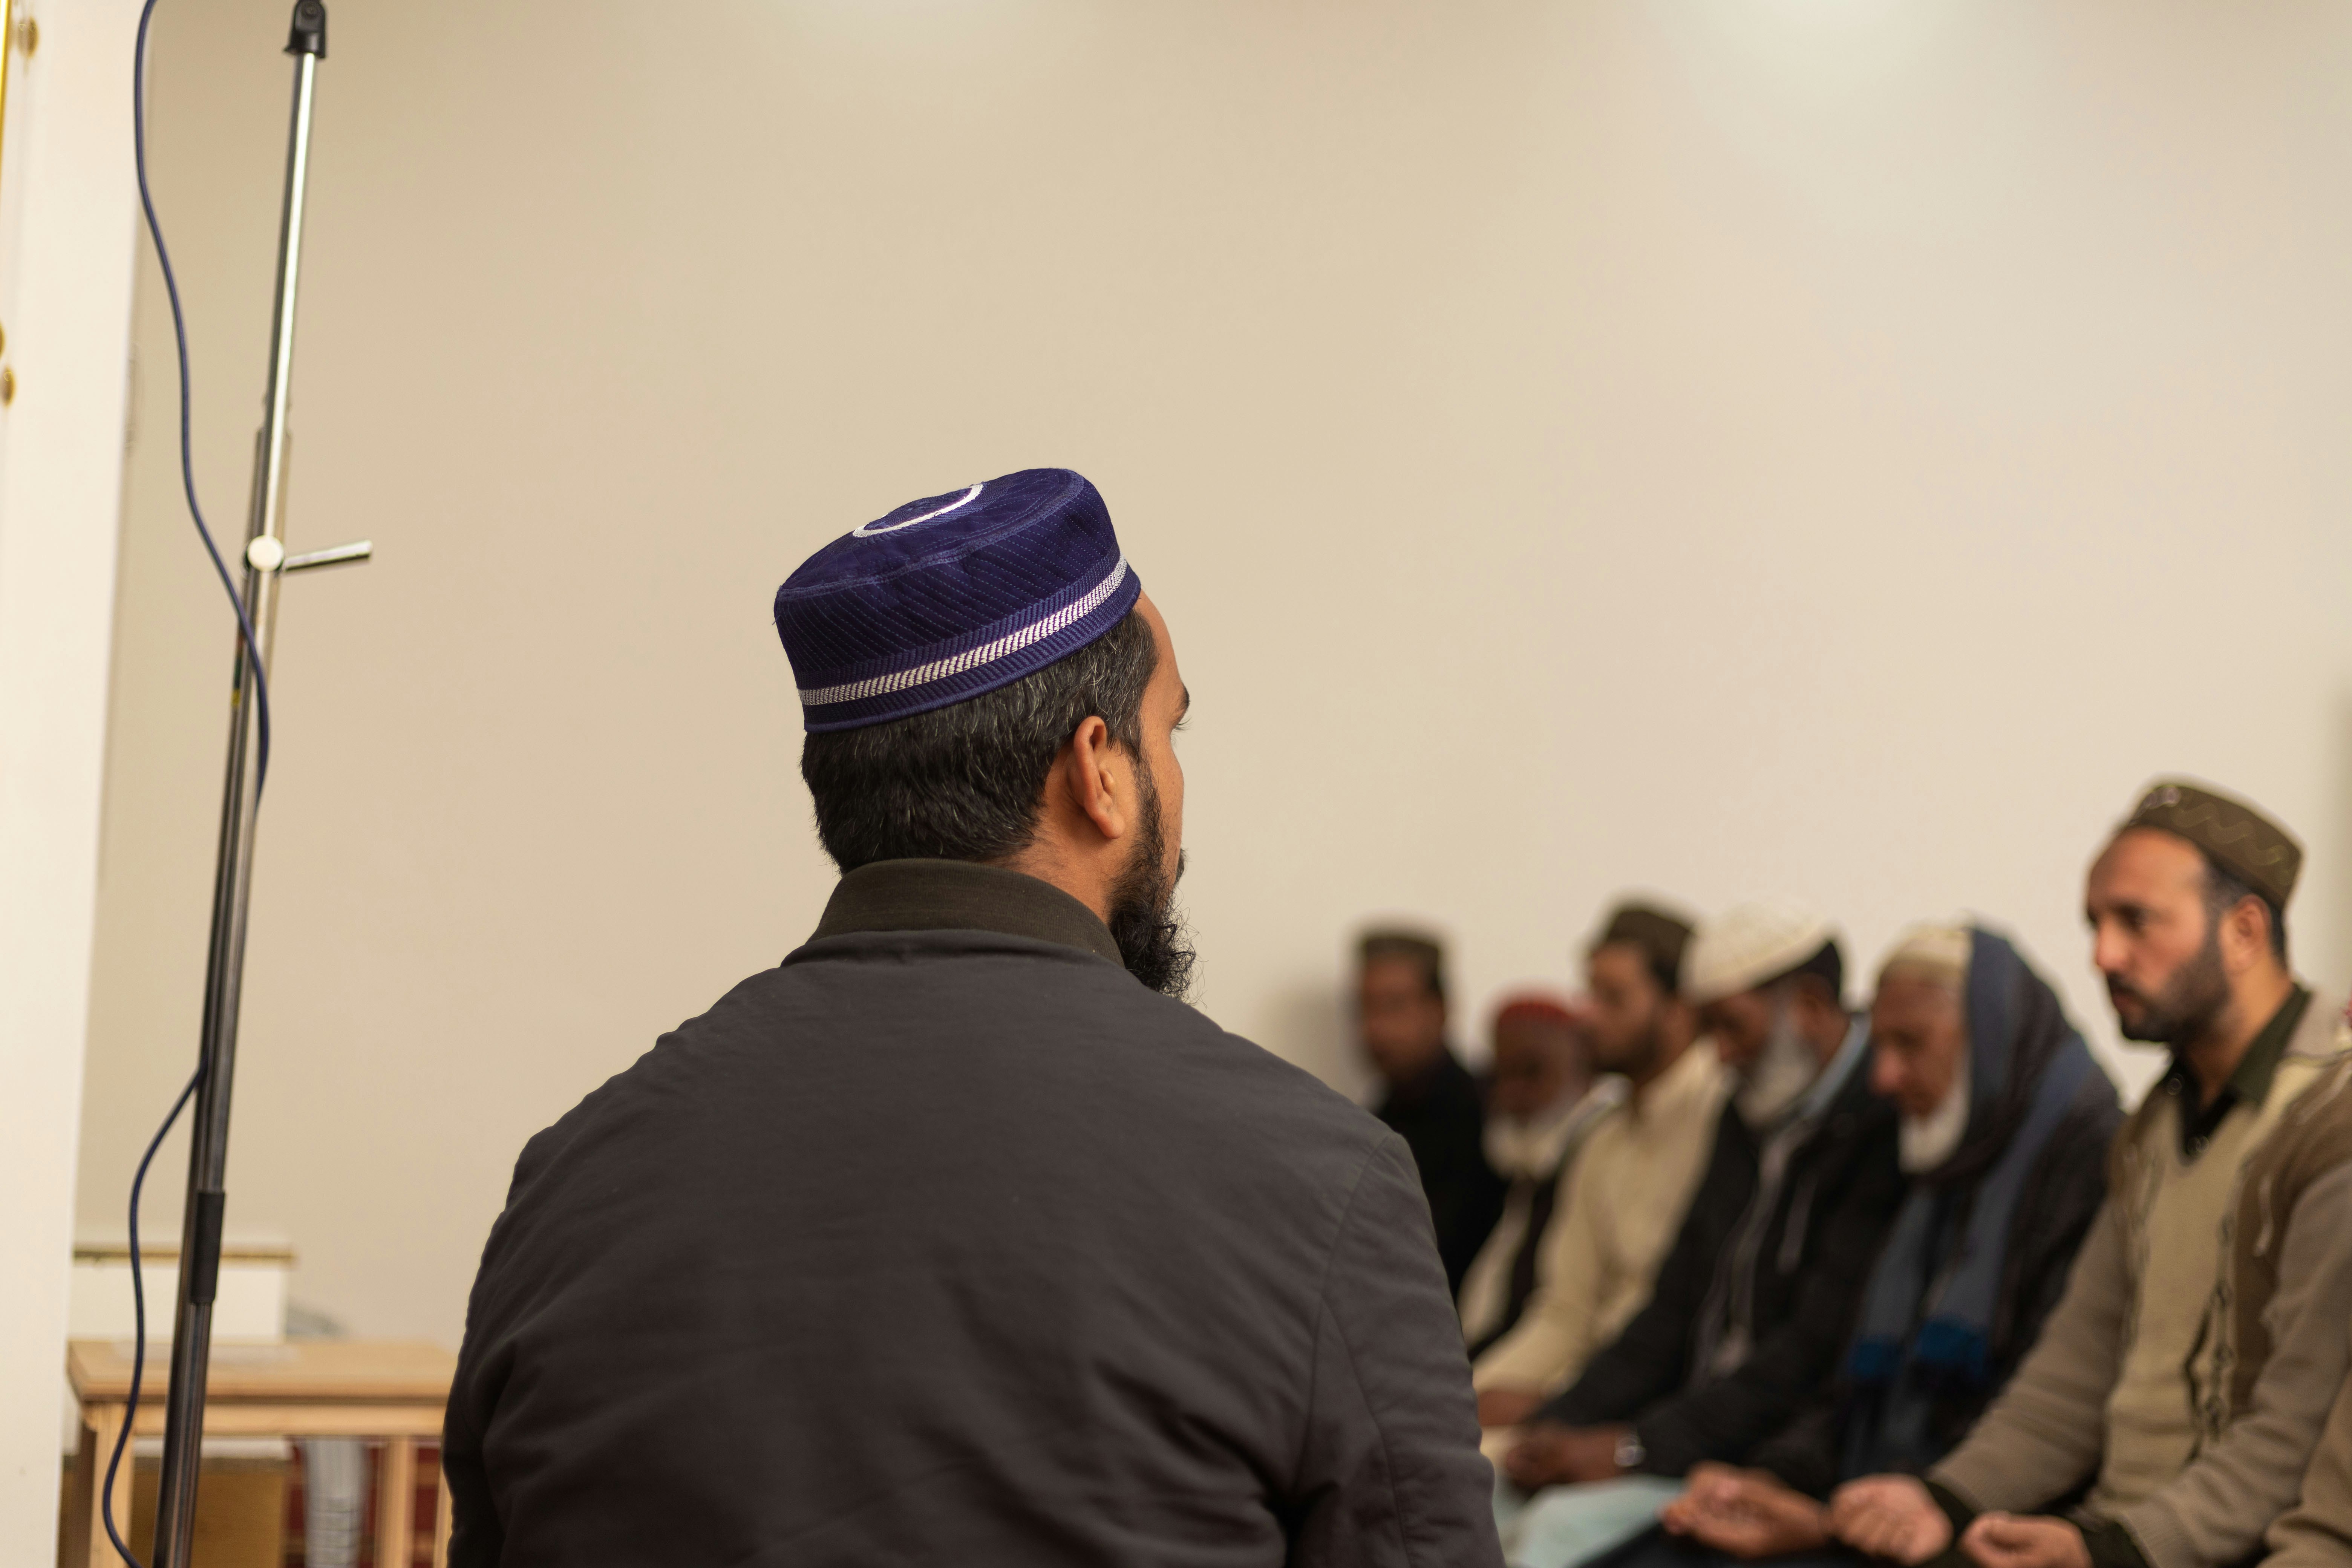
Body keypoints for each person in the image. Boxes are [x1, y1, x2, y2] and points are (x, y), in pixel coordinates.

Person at [441, 469, 1503, 1565]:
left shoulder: (572, 1179)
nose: (1177, 798)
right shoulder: (1318, 1183)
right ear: (1097, 768)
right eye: (1168, 733)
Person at [1829, 779, 2352, 1568]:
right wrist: (1945, 1499)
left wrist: (2111, 1550)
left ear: (2245, 930)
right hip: (2114, 1531)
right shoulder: (2154, 1126)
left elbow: (2295, 1432)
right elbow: (2071, 1378)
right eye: (2095, 925)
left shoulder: (2330, 1118)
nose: (2104, 955)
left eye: (2136, 920)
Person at [1621, 922, 2121, 1568]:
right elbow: (1852, 1384)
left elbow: (2041, 1423)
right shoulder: (1945, 1160)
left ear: (1991, 1046)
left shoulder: (2086, 1166)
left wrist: (1829, 1521)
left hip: (1967, 1531)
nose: (1884, 1077)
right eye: (1880, 1045)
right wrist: (1774, 1481)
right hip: (1868, 1507)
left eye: (1911, 1045)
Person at [1495, 900, 1906, 1568]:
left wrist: (1637, 1448)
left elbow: (1810, 1349)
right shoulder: (1747, 1111)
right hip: (1683, 1428)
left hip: (1767, 1458)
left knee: (1548, 1541)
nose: (1720, 1053)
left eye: (1734, 1028)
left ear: (1806, 1005)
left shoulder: (1879, 1126)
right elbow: (1676, 1304)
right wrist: (1563, 1424)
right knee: (1482, 1497)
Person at [1476, 902, 1723, 1426]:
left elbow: (1680, 1328)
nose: (1586, 1015)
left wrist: (1549, 1412)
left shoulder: (1722, 1121)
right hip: (1577, 1397)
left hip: (1647, 1411)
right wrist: (1465, 1399)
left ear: (1680, 1008)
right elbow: (1564, 1312)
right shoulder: (1601, 1137)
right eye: (1588, 992)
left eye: (1613, 998)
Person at [1461, 994, 1623, 1356]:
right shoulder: (1519, 1178)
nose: (1511, 1095)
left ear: (1584, 1068)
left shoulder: (1599, 1162)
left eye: (1532, 1072)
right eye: (1501, 1076)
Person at [1361, 928, 1511, 1294]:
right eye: (1365, 1007)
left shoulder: (1488, 1113)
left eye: (1394, 1005)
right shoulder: (1372, 1118)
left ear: (1439, 1009)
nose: (1375, 1028)